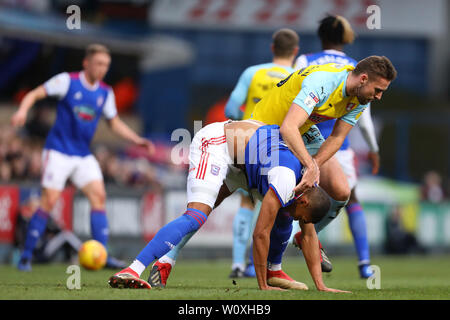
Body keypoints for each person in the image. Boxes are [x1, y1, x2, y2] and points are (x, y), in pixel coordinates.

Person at [108, 120, 348, 292]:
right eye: (303, 218)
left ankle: (273, 271)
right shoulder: (288, 180)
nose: (302, 222)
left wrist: (321, 287)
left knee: (283, 215)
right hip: (218, 144)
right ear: (304, 200)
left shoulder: (309, 181)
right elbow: (260, 234)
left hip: (248, 163)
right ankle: (133, 268)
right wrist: (262, 288)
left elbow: (308, 236)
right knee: (196, 216)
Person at [10, 43, 155, 271]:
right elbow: (35, 94)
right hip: (58, 151)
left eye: (106, 65)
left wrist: (136, 140)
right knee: (49, 201)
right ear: (86, 63)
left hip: (82, 154)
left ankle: (102, 254)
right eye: (98, 63)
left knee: (98, 196)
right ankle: (26, 256)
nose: (102, 69)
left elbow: (114, 122)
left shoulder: (105, 93)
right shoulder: (67, 81)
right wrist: (22, 110)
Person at [250, 55, 396, 272]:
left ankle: (306, 236)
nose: (379, 97)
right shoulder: (324, 83)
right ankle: (268, 266)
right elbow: (288, 127)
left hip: (301, 130)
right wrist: (309, 166)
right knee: (282, 197)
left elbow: (337, 138)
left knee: (341, 191)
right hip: (265, 127)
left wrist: (315, 164)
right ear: (363, 79)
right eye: (378, 90)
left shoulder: (359, 98)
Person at [289, 15, 381, 278]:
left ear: (321, 36)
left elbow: (290, 94)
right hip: (338, 146)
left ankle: (266, 264)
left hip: (303, 140)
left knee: (293, 197)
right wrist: (374, 148)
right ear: (345, 38)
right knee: (349, 198)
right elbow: (364, 117)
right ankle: (364, 263)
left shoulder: (305, 60)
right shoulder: (357, 68)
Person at [223, 28, 299, 278]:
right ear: (295, 52)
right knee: (278, 205)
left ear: (271, 47)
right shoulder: (297, 76)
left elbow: (232, 107)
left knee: (246, 201)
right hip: (280, 147)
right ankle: (270, 265)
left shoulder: (252, 72)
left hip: (248, 143)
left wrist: (245, 124)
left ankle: (237, 262)